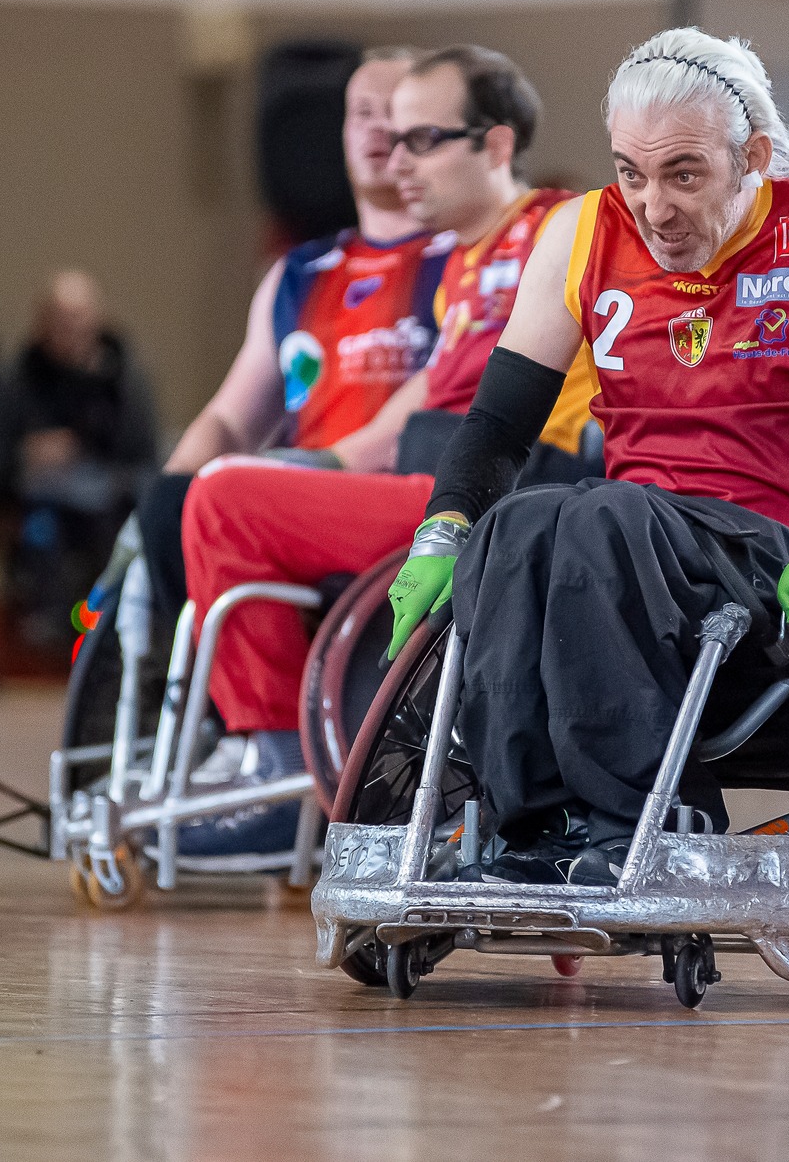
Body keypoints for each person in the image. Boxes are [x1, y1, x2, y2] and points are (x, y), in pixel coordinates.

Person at [385, 28, 789, 885]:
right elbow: (500, 427)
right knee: (519, 523)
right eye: (631, 172)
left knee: (597, 516)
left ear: (752, 156)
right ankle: (523, 820)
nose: (653, 205)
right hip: (625, 565)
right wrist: (442, 534)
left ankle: (644, 817)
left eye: (684, 173)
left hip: (781, 557)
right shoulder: (581, 234)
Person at [174, 44, 587, 859]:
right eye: (388, 138)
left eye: (421, 140)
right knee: (206, 492)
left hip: (510, 490)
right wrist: (325, 461)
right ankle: (263, 744)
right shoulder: (459, 268)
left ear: (497, 146)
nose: (396, 162)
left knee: (223, 500)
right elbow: (422, 404)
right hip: (436, 476)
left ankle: (272, 753)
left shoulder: (562, 226)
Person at [141, 47, 443, 616]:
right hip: (290, 501)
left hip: (393, 500)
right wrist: (166, 496)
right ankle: (204, 692)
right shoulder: (298, 273)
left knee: (228, 506)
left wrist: (306, 469)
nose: (377, 127)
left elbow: (444, 397)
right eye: (362, 112)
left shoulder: (466, 259)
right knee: (168, 504)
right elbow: (230, 418)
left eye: (395, 112)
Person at [0, 270, 159, 650]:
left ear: (97, 321)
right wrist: (25, 454)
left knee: (118, 536)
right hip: (39, 512)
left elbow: (144, 454)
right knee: (41, 530)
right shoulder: (19, 380)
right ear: (42, 323)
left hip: (110, 510)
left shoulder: (123, 380)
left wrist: (84, 447)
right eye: (59, 320)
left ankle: (103, 629)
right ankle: (48, 632)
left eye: (79, 319)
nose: (70, 330)